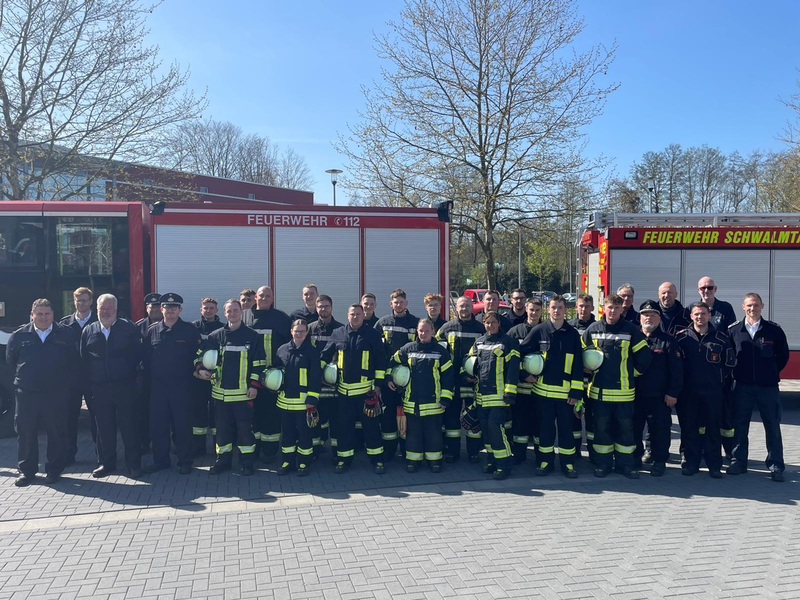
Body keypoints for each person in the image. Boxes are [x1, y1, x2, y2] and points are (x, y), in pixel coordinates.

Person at [6, 299, 77, 486]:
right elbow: (11, 361)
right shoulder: (19, 336)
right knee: (26, 433)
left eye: (47, 314)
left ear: (53, 314)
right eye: (39, 314)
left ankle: (54, 470)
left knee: (56, 432)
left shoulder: (65, 334)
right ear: (32, 315)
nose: (43, 318)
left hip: (55, 393)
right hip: (27, 394)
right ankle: (27, 471)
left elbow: (73, 362)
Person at [583, 294, 652, 479]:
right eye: (609, 307)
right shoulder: (592, 330)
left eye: (616, 308)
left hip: (624, 393)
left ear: (622, 309)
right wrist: (585, 371)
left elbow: (645, 358)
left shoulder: (631, 331)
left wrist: (632, 374)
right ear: (603, 308)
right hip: (599, 393)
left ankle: (626, 466)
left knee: (626, 432)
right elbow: (581, 355)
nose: (612, 311)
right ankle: (603, 464)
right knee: (601, 431)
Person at [196, 299, 265, 476]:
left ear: (241, 312)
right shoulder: (215, 336)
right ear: (225, 313)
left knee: (245, 431)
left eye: (235, 310)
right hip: (220, 395)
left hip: (243, 395)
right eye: (229, 311)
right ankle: (223, 460)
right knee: (222, 431)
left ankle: (247, 462)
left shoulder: (252, 336)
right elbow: (200, 356)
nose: (232, 314)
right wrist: (201, 369)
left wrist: (255, 385)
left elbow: (259, 364)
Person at [727, 293, 790, 482]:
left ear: (762, 306)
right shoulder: (734, 330)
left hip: (767, 387)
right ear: (742, 307)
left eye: (755, 305)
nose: (752, 309)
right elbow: (729, 357)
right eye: (749, 306)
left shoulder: (773, 330)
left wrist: (769, 373)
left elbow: (783, 356)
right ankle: (738, 462)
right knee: (740, 425)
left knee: (772, 425)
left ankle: (776, 465)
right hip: (742, 386)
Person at [80, 294, 144, 478]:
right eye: (102, 308)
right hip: (99, 388)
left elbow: (138, 355)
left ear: (116, 309)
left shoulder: (128, 328)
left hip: (125, 386)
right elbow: (83, 358)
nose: (105, 311)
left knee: (129, 427)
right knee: (103, 428)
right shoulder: (89, 330)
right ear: (97, 309)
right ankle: (106, 464)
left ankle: (133, 464)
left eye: (109, 308)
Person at [522, 295, 584, 478]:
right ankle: (545, 461)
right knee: (545, 430)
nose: (556, 311)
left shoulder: (572, 334)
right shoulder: (539, 331)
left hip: (566, 396)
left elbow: (578, 365)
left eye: (560, 307)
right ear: (548, 309)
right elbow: (520, 354)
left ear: (566, 310)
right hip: (543, 394)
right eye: (553, 307)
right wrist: (524, 374)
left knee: (566, 431)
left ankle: (568, 464)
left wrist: (576, 391)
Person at [321, 303, 387, 474]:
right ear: (347, 315)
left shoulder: (372, 334)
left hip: (367, 392)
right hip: (344, 393)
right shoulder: (338, 334)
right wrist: (320, 373)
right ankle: (344, 460)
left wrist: (378, 386)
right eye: (352, 314)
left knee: (371, 428)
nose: (356, 317)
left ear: (363, 315)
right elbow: (325, 356)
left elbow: (381, 361)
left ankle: (377, 460)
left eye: (359, 314)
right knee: (345, 428)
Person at [673, 302, 736, 478]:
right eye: (696, 314)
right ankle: (691, 464)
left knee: (713, 429)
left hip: (713, 393)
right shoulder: (681, 338)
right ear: (691, 316)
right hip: (689, 393)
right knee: (690, 428)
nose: (700, 317)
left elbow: (730, 364)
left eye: (703, 314)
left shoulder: (721, 339)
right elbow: (675, 365)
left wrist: (716, 380)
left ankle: (714, 465)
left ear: (709, 315)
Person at [142, 294, 201, 475]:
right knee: (158, 426)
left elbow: (198, 356)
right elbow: (144, 359)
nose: (170, 310)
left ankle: (185, 461)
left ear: (180, 309)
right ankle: (161, 461)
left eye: (174, 307)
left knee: (182, 425)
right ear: (161, 309)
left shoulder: (189, 331)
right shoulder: (152, 331)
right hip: (158, 388)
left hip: (181, 387)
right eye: (167, 307)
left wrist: (200, 368)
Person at [390, 318, 454, 473]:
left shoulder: (441, 351)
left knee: (434, 434)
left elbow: (448, 376)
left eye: (426, 331)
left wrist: (446, 398)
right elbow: (392, 361)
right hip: (412, 402)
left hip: (434, 403)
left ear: (432, 331)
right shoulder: (408, 348)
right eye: (420, 331)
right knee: (413, 434)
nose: (423, 333)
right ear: (417, 331)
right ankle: (413, 461)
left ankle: (434, 461)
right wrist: (388, 378)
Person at [467, 311, 520, 480]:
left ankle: (504, 464)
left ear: (499, 323)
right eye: (487, 323)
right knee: (487, 433)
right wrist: (465, 374)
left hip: (499, 397)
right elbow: (468, 361)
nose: (490, 325)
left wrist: (509, 393)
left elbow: (513, 369)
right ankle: (492, 460)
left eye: (493, 322)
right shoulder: (479, 342)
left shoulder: (508, 343)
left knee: (496, 430)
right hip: (482, 396)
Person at [633, 300, 683, 477]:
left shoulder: (668, 341)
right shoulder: (633, 338)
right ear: (640, 318)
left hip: (659, 396)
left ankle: (659, 461)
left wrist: (672, 393)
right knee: (634, 429)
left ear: (659, 318)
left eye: (653, 315)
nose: (649, 318)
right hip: (634, 395)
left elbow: (676, 371)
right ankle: (635, 458)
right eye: (645, 315)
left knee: (660, 430)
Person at [436, 296, 486, 462]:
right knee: (451, 419)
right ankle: (453, 452)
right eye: (461, 306)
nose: (464, 309)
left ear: (472, 307)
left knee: (473, 417)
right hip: (452, 382)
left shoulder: (481, 329)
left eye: (466, 306)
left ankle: (473, 453)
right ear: (455, 308)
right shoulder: (446, 328)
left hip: (474, 382)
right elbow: (437, 352)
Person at [696, 276, 738, 457]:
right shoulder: (694, 308)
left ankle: (729, 451)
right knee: (702, 418)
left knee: (726, 416)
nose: (707, 290)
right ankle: (705, 450)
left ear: (716, 289)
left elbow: (732, 336)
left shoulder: (725, 308)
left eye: (710, 287)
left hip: (721, 372)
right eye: (703, 288)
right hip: (701, 374)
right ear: (698, 290)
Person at [274, 319, 322, 476]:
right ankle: (287, 461)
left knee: (304, 435)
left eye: (302, 331)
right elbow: (276, 372)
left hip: (303, 404)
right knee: (287, 434)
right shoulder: (281, 350)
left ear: (307, 332)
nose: (299, 333)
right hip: (284, 402)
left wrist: (312, 398)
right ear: (291, 331)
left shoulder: (312, 352)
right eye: (297, 330)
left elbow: (315, 377)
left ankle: (303, 463)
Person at [375, 289, 418, 461]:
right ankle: (389, 451)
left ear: (406, 303)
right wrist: (386, 378)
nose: (398, 305)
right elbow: (377, 352)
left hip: (410, 380)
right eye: (395, 302)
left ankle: (408, 450)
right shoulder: (382, 323)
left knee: (408, 416)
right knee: (388, 417)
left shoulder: (415, 323)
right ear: (390, 303)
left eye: (401, 302)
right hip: (389, 379)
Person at [250, 285, 292, 461]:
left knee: (271, 416)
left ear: (273, 298)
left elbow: (289, 347)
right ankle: (252, 450)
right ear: (255, 298)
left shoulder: (281, 318)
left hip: (273, 377)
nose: (265, 298)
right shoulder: (245, 317)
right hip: (249, 376)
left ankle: (269, 451)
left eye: (268, 295)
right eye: (262, 295)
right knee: (252, 416)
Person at [58, 286, 98, 464]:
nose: (81, 303)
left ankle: (101, 454)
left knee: (98, 417)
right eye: (78, 300)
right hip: (70, 380)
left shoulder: (99, 321)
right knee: (68, 417)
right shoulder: (64, 324)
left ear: (91, 302)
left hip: (93, 378)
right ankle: (68, 454)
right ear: (74, 302)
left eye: (85, 300)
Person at [507, 298, 543, 464]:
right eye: (531, 310)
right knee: (520, 425)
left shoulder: (547, 331)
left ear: (542, 311)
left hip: (541, 389)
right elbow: (509, 358)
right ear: (526, 310)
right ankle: (519, 455)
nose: (534, 313)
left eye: (537, 310)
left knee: (539, 426)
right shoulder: (515, 332)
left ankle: (540, 456)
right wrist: (522, 374)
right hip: (521, 388)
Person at [308, 294, 344, 453]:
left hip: (334, 383)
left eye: (326, 306)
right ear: (316, 308)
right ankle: (316, 449)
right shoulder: (309, 329)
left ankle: (336, 453)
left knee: (336, 420)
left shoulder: (341, 329)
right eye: (320, 306)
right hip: (315, 382)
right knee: (316, 419)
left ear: (332, 307)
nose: (323, 309)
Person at [190, 297, 224, 456]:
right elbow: (189, 353)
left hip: (217, 379)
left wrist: (216, 372)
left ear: (217, 310)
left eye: (211, 308)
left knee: (217, 414)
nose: (208, 311)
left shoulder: (223, 329)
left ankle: (219, 448)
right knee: (198, 414)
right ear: (201, 310)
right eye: (206, 308)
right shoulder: (193, 328)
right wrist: (199, 369)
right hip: (197, 380)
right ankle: (198, 448)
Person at [568, 293, 596, 461]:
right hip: (574, 380)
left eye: (587, 306)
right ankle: (575, 449)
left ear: (592, 308)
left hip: (593, 381)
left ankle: (593, 451)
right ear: (576, 307)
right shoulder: (569, 327)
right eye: (580, 306)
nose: (583, 309)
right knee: (573, 418)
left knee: (592, 418)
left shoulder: (598, 326)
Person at [134, 293, 162, 455]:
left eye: (158, 306)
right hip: (145, 377)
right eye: (152, 307)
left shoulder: (171, 325)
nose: (155, 309)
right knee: (143, 411)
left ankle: (170, 442)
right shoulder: (138, 327)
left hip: (165, 377)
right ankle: (144, 442)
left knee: (167, 412)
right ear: (146, 309)